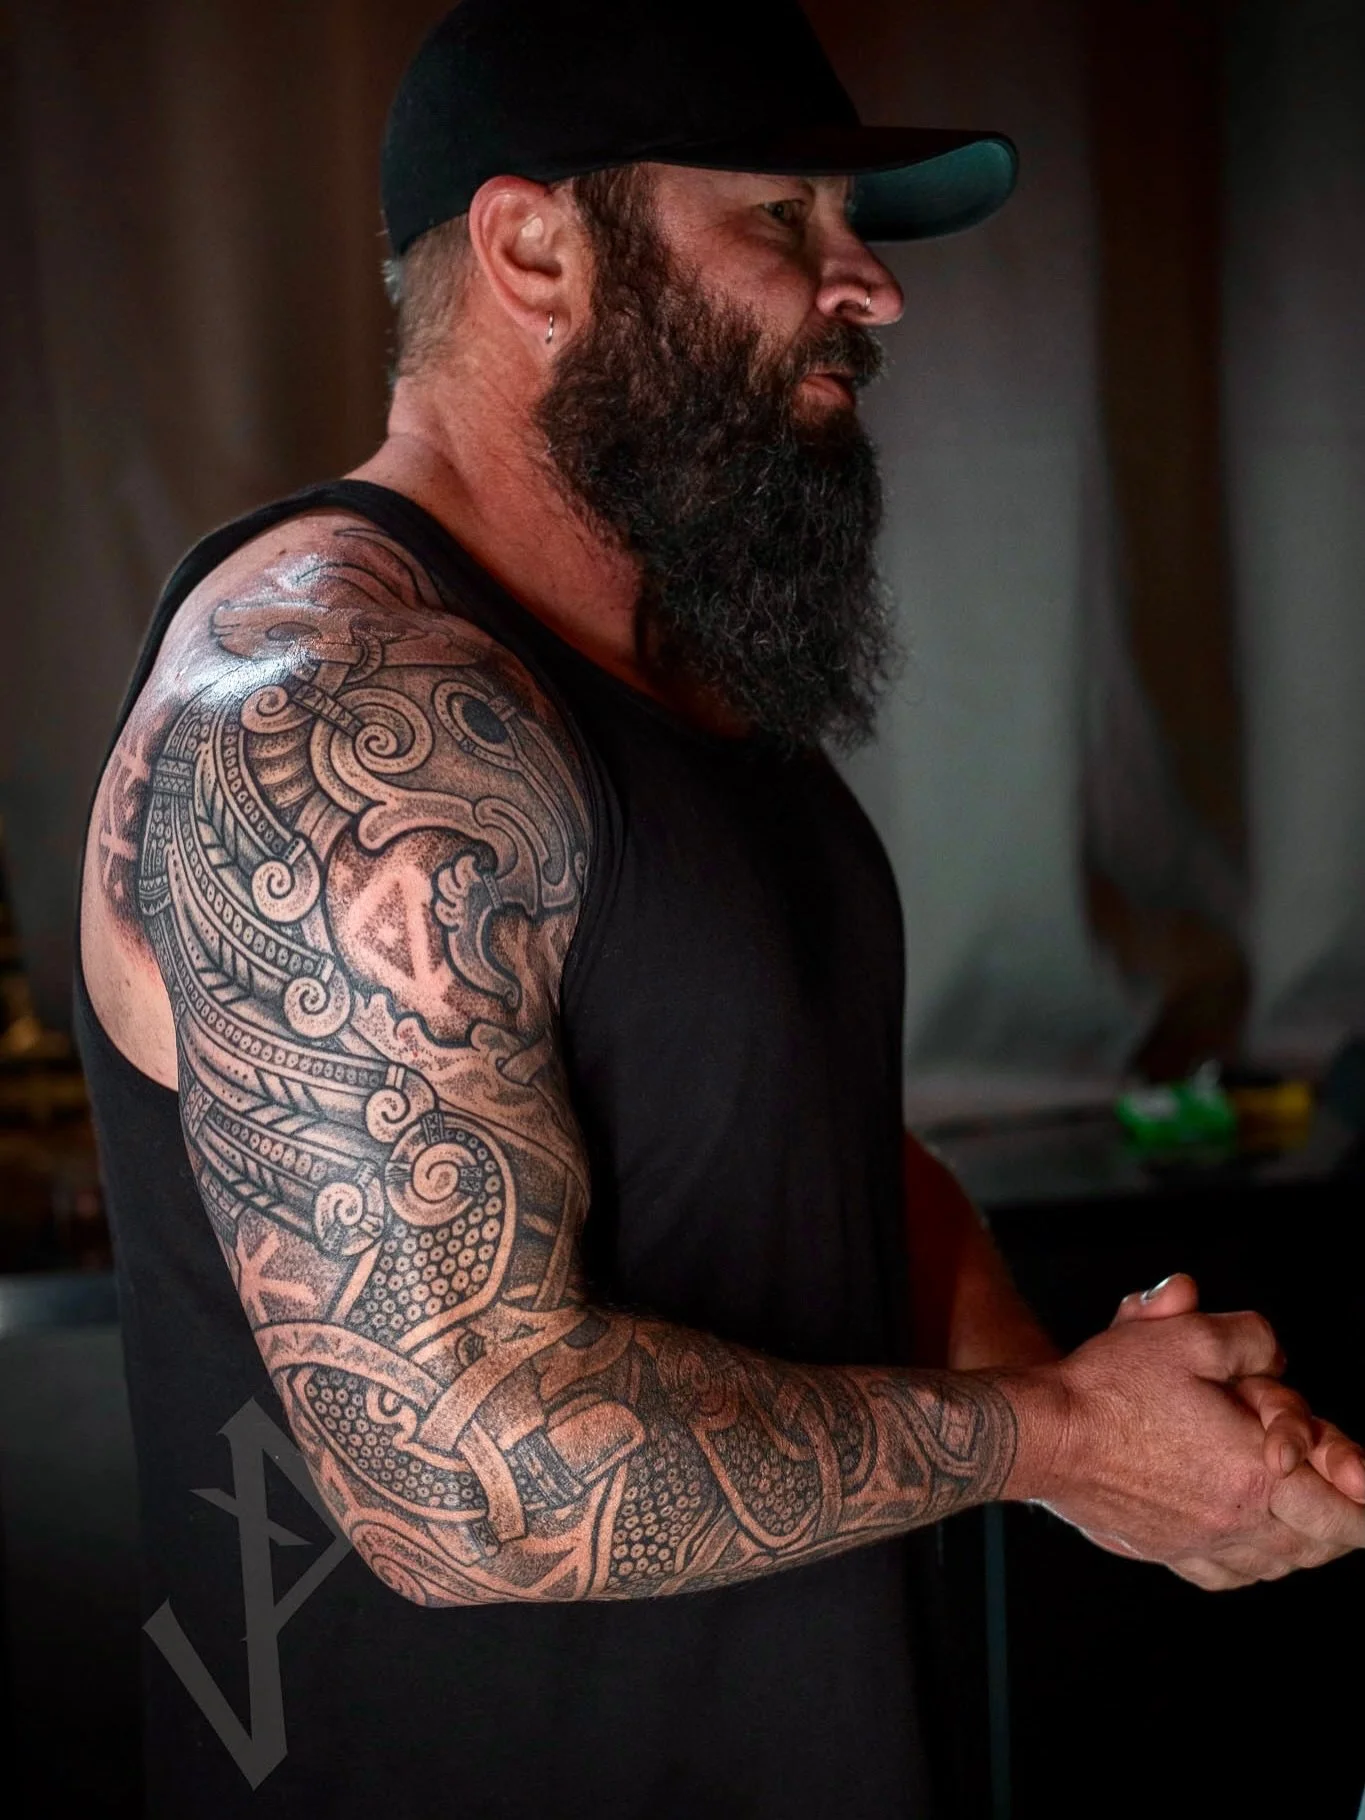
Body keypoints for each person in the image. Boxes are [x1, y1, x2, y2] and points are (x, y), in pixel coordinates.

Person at [76, 2, 1365, 1816]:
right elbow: (462, 1477)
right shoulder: (333, 714)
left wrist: (1104, 1426)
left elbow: (807, 1139)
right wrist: (1064, 1442)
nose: (872, 287)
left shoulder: (687, 684)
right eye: (782, 217)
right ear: (537, 250)